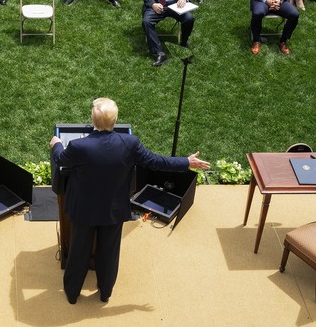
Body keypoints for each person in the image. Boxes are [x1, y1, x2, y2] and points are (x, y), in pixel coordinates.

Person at [50, 97, 210, 304]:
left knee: (79, 252)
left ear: (93, 119)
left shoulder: (78, 146)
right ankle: (105, 293)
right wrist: (186, 162)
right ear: (114, 121)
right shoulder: (129, 143)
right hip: (113, 210)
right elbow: (155, 161)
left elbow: (60, 160)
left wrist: (56, 145)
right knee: (109, 253)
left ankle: (72, 294)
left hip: (84, 210)